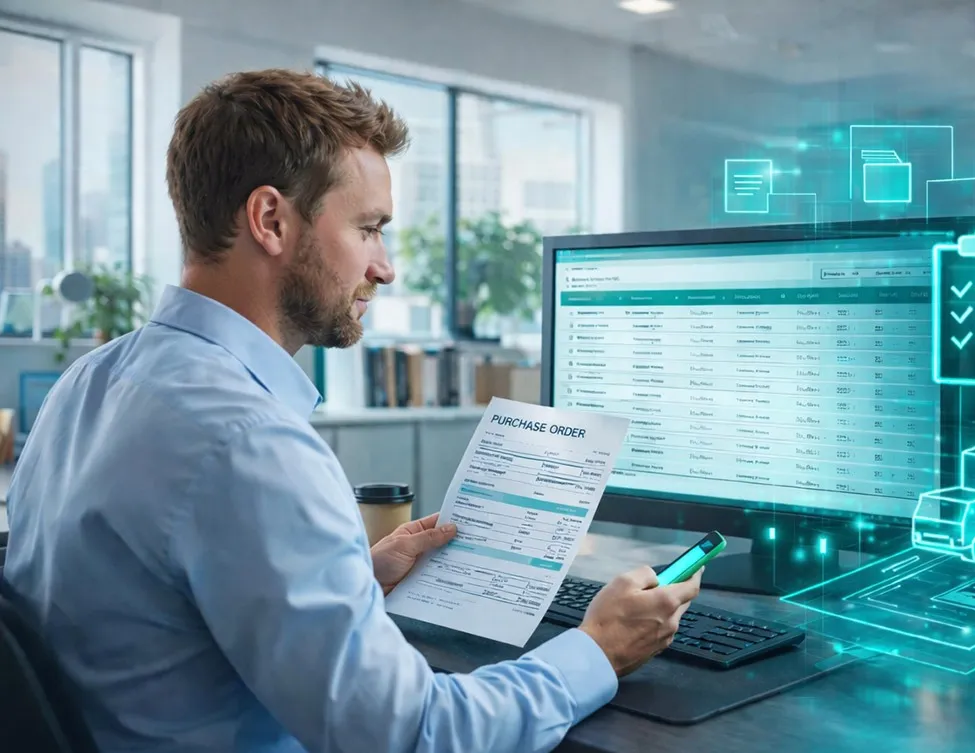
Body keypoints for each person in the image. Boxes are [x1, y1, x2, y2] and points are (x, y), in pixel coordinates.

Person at [1, 68, 701, 753]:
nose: (386, 265)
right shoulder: (250, 442)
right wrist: (597, 650)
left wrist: (351, 576)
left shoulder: (89, 382)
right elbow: (415, 733)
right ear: (271, 219)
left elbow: (151, 611)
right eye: (368, 228)